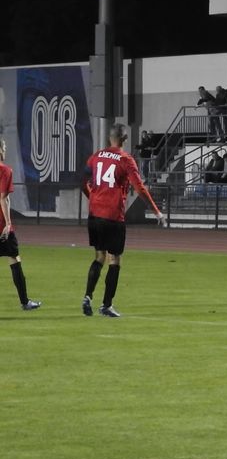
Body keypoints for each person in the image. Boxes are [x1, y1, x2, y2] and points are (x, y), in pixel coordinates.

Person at [81, 124, 166, 317]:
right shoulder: (126, 160)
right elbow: (140, 188)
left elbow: (82, 180)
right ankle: (106, 305)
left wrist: (93, 197)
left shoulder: (96, 156)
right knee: (115, 259)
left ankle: (87, 296)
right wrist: (157, 212)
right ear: (125, 140)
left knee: (99, 256)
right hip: (113, 216)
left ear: (109, 138)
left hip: (94, 214)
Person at [1, 138, 41, 311]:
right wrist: (8, 223)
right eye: (4, 146)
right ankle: (25, 302)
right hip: (1, 224)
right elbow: (3, 198)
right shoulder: (5, 170)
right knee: (14, 259)